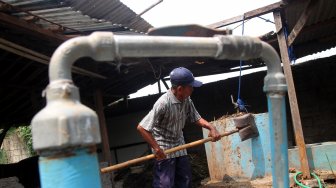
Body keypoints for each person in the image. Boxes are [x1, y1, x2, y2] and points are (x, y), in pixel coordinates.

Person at [137, 67, 221, 188]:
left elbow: (196, 117)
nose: (193, 89)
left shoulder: (187, 100)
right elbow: (142, 127)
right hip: (164, 148)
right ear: (180, 89)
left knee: (185, 182)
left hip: (180, 145)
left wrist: (211, 127)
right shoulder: (163, 103)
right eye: (190, 87)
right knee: (165, 185)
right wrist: (156, 149)